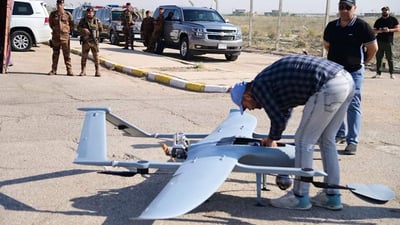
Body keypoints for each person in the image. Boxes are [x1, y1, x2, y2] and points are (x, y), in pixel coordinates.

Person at [230, 54, 355, 210]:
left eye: (245, 105)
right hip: (346, 80)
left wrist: (271, 139)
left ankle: (299, 197)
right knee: (326, 140)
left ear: (247, 95)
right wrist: (273, 138)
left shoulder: (259, 87)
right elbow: (284, 112)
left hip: (327, 84)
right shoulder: (267, 82)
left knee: (303, 141)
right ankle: (332, 196)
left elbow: (277, 118)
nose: (250, 109)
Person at [323, 0, 377, 155]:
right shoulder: (332, 27)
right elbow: (327, 46)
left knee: (353, 104)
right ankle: (339, 133)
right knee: (336, 102)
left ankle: (352, 141)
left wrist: (362, 62)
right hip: (335, 71)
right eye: (341, 7)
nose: (344, 10)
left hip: (354, 71)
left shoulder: (362, 27)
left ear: (354, 8)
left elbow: (373, 48)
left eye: (348, 7)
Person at [373, 6, 400, 79]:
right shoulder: (378, 20)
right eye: (383, 11)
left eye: (386, 10)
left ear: (389, 11)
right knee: (379, 58)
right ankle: (378, 73)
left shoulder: (393, 19)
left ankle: (391, 73)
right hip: (379, 41)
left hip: (389, 42)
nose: (384, 12)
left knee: (390, 58)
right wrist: (380, 31)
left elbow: (398, 29)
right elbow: (374, 31)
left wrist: (389, 30)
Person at [48, 0, 74, 76]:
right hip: (56, 37)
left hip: (65, 38)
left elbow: (72, 25)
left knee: (67, 55)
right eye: (58, 4)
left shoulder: (68, 14)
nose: (59, 5)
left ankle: (69, 70)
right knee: (55, 54)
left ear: (63, 5)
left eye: (61, 4)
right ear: (56, 5)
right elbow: (51, 24)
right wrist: (55, 30)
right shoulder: (53, 14)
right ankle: (53, 70)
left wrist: (67, 31)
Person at [77, 7, 103, 77]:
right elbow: (78, 28)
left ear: (93, 13)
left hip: (94, 42)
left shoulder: (97, 21)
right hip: (85, 41)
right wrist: (83, 30)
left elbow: (101, 30)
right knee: (84, 57)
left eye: (90, 12)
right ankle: (83, 71)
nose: (89, 14)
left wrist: (96, 35)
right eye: (88, 12)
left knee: (96, 57)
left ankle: (97, 71)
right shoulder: (83, 20)